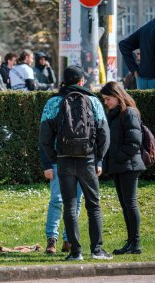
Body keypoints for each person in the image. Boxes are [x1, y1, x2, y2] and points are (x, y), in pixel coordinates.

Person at [39, 65, 111, 261]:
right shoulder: (93, 101)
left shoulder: (53, 102)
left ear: (64, 81)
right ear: (81, 82)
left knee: (69, 205)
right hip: (87, 159)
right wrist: (99, 158)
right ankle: (97, 250)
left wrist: (54, 158)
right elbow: (104, 133)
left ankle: (75, 252)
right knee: (93, 205)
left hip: (64, 161)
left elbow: (44, 137)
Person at [100, 81, 145, 255]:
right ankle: (131, 242)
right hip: (119, 165)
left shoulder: (129, 113)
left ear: (117, 95)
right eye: (104, 99)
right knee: (125, 205)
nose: (106, 102)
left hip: (129, 165)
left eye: (108, 98)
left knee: (130, 204)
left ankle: (136, 243)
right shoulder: (115, 114)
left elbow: (134, 143)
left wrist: (117, 156)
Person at [40, 145, 83, 254]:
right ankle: (52, 240)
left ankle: (69, 239)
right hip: (57, 162)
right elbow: (44, 139)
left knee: (76, 202)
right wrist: (47, 165)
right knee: (56, 201)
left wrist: (99, 161)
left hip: (82, 161)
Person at [118, 4, 155, 89]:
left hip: (141, 79)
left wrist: (133, 69)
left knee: (142, 102)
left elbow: (123, 44)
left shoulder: (146, 27)